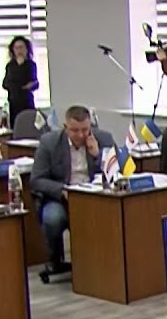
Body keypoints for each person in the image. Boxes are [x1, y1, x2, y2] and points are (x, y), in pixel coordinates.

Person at [29, 106, 115, 276]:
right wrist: (62, 190)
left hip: (94, 197)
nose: (81, 135)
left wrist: (98, 155)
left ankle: (102, 262)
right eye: (75, 130)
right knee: (53, 218)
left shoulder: (104, 139)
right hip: (61, 198)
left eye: (85, 130)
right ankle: (55, 260)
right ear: (65, 127)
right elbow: (36, 180)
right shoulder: (49, 142)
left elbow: (115, 173)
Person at [2, 35, 39, 127]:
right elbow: (5, 84)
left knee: (28, 127)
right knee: (15, 127)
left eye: (21, 47)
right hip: (13, 103)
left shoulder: (31, 65)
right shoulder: (10, 66)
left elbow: (34, 83)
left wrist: (18, 85)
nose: (19, 50)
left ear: (27, 49)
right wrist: (23, 86)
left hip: (27, 103)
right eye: (16, 48)